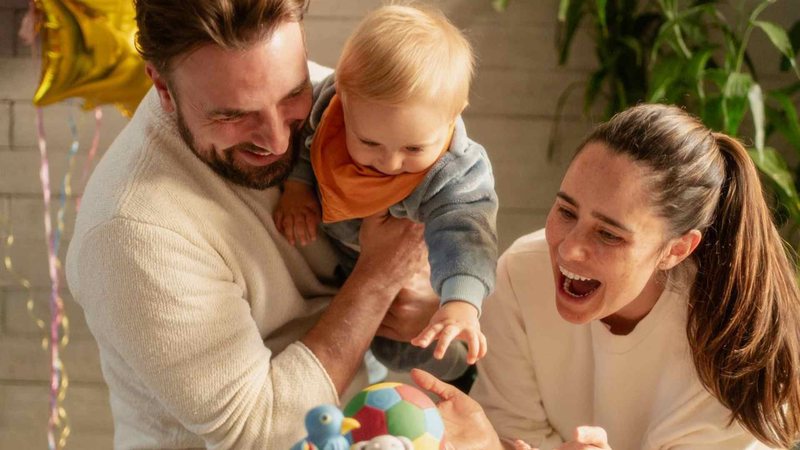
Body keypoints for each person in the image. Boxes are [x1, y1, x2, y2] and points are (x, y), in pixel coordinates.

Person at [64, 0, 440, 448]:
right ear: (162, 87)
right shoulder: (131, 231)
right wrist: (378, 280)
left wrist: (431, 303)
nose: (279, 140)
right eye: (233, 116)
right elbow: (258, 433)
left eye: (290, 96)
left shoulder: (331, 103)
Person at [413, 104, 800, 449]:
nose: (568, 250)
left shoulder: (731, 336)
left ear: (677, 249)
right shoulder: (519, 274)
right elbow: (517, 431)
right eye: (566, 211)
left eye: (609, 234)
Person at [272, 4, 497, 377]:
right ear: (342, 97)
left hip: (413, 275)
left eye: (413, 149)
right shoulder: (329, 104)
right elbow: (306, 140)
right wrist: (297, 185)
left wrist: (460, 302)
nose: (390, 162)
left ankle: (463, 370)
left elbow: (467, 236)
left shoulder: (454, 172)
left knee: (401, 351)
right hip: (340, 259)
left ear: (454, 112)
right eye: (370, 143)